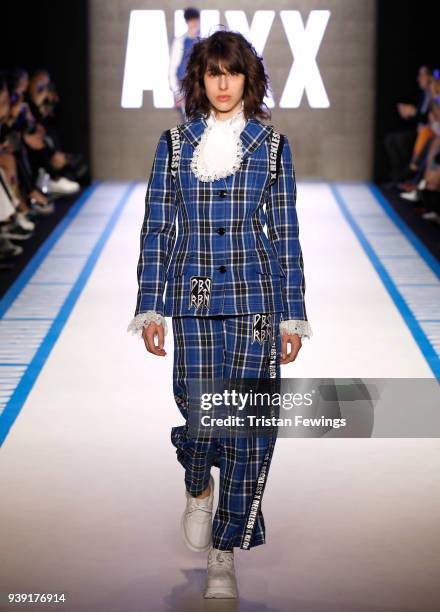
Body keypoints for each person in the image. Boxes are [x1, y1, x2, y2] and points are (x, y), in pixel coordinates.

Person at [127, 28, 312, 599]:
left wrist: (291, 314)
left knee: (249, 429)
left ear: (248, 78)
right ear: (200, 80)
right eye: (213, 73)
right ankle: (196, 484)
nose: (223, 83)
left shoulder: (272, 147)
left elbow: (285, 233)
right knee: (201, 414)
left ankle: (224, 551)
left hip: (256, 300)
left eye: (232, 72)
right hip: (198, 299)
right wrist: (151, 304)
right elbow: (158, 227)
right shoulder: (175, 145)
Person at [168, 7, 200, 122]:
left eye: (195, 20)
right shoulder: (180, 42)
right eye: (191, 20)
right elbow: (173, 69)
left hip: (200, 86)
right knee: (189, 121)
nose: (194, 23)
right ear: (187, 22)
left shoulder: (204, 41)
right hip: (185, 86)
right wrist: (177, 93)